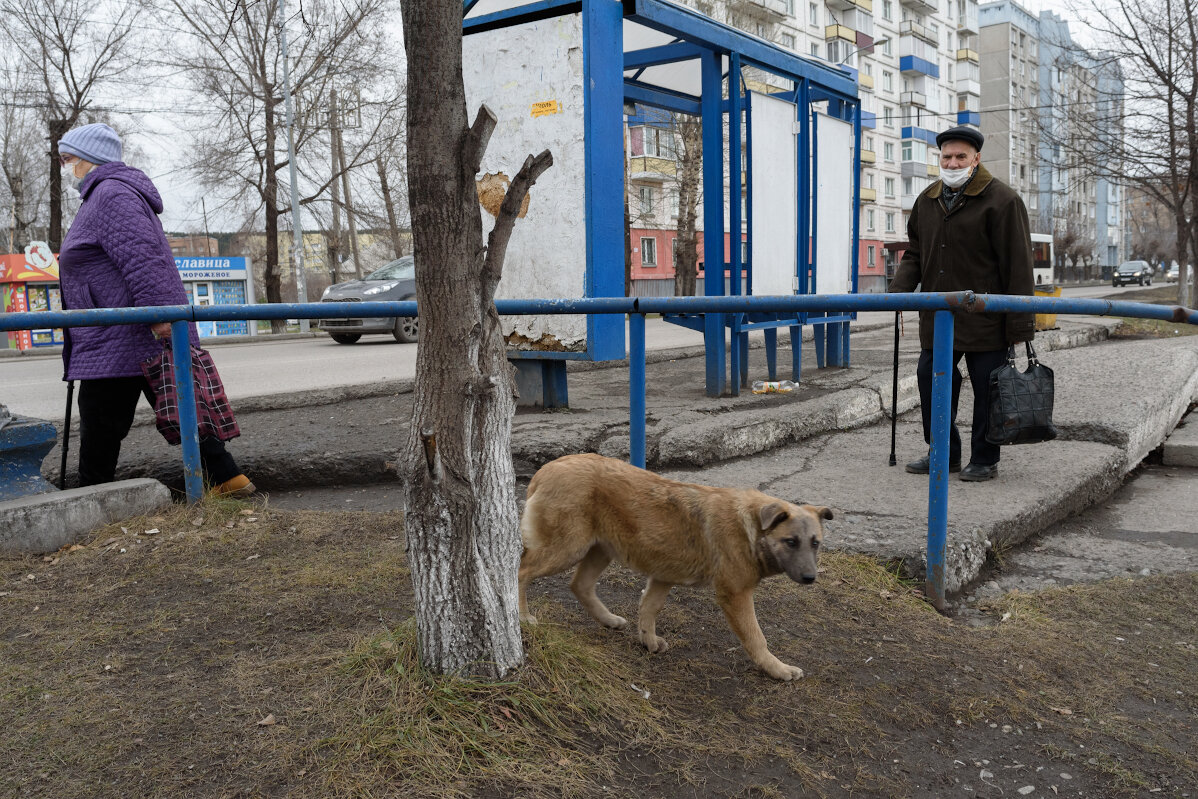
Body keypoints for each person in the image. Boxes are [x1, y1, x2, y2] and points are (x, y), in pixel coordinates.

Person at [56, 122, 254, 496]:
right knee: (175, 404)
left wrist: (163, 316)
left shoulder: (111, 195)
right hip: (118, 331)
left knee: (101, 419)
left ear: (90, 159)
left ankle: (89, 500)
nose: (66, 169)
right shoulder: (104, 196)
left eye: (68, 159)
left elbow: (144, 258)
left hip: (122, 331)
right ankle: (227, 479)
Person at [888, 125, 1034, 482]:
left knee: (988, 388)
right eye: (946, 157)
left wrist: (1020, 326)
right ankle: (943, 452)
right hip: (938, 316)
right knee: (930, 379)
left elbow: (1019, 267)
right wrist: (897, 293)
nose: (952, 163)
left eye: (960, 157)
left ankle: (985, 458)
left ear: (976, 159)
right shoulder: (927, 199)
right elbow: (915, 253)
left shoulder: (1003, 200)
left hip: (985, 318)